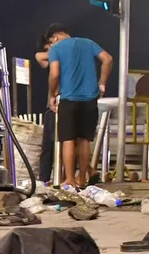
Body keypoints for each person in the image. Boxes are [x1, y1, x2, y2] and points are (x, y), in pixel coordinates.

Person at [46, 23, 113, 189]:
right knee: (84, 140)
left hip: (69, 99)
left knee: (67, 139)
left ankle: (69, 179)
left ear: (54, 38)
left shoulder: (56, 48)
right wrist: (102, 83)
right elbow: (108, 59)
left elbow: (54, 74)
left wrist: (52, 95)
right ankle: (82, 179)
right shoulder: (88, 43)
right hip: (90, 98)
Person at [35, 35, 56, 185]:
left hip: (60, 104)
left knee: (60, 145)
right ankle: (44, 179)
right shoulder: (53, 59)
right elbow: (39, 57)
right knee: (47, 147)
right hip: (51, 107)